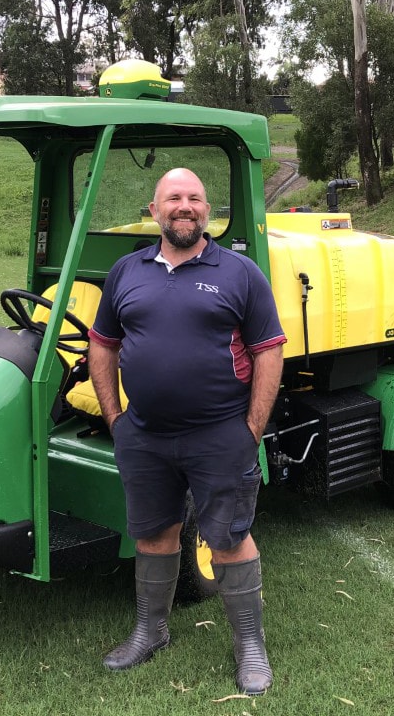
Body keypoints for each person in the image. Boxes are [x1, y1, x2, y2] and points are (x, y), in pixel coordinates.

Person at [87, 167, 286, 695]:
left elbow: (270, 351)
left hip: (220, 434)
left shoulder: (239, 273)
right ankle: (151, 632)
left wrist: (251, 428)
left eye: (194, 198)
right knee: (153, 533)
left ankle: (249, 647)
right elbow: (103, 344)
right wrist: (115, 419)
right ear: (154, 211)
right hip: (145, 435)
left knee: (228, 538)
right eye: (173, 198)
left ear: (207, 211)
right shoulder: (126, 272)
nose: (185, 206)